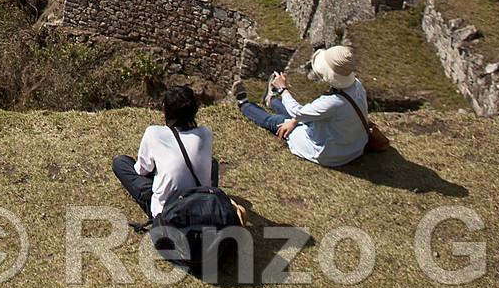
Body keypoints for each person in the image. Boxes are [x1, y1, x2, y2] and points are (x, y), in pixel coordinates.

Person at [235, 46, 371, 168]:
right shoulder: (356, 85)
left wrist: (283, 89)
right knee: (299, 117)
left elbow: (298, 112)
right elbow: (306, 114)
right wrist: (296, 119)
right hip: (354, 146)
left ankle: (244, 104)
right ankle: (272, 101)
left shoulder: (333, 102)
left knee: (278, 121)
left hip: (330, 153)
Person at [113, 86, 217, 219]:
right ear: (195, 110)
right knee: (213, 163)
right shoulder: (206, 133)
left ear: (166, 110)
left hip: (167, 214)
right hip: (201, 205)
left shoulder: (154, 133)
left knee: (121, 163)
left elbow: (141, 171)